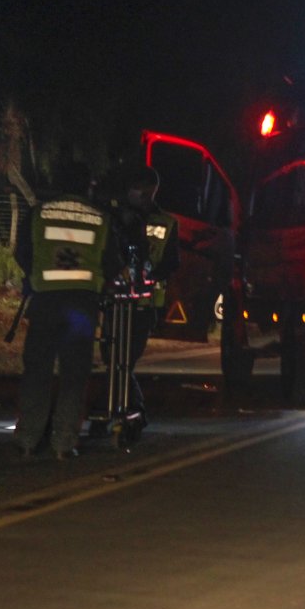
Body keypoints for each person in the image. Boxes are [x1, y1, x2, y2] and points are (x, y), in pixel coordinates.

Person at [13, 161, 122, 460]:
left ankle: (27, 439)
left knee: (37, 371)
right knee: (74, 374)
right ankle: (64, 442)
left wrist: (37, 276)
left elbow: (22, 252)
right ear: (88, 185)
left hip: (45, 303)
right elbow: (113, 261)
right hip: (82, 308)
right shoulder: (101, 218)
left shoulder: (39, 213)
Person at [111, 165, 179, 423]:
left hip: (145, 302)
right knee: (113, 358)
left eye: (137, 188)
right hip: (116, 300)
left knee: (126, 359)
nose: (132, 193)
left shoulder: (166, 222)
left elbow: (172, 262)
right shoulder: (118, 218)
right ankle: (124, 409)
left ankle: (131, 409)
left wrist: (151, 275)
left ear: (150, 191)